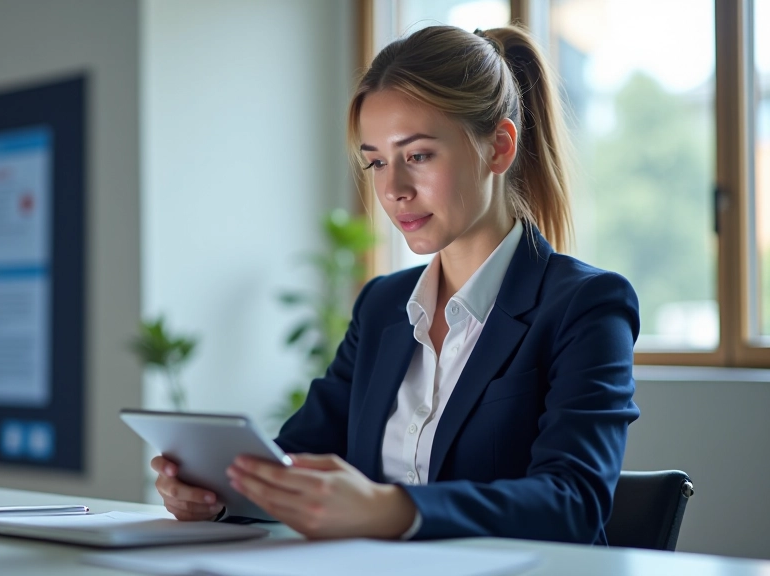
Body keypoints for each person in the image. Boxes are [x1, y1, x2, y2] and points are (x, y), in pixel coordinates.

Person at [151, 24, 640, 544]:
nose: (393, 190)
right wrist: (220, 491)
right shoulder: (383, 306)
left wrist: (392, 509)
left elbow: (573, 503)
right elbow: (294, 455)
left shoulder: (587, 306)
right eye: (377, 162)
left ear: (499, 147)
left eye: (419, 156)